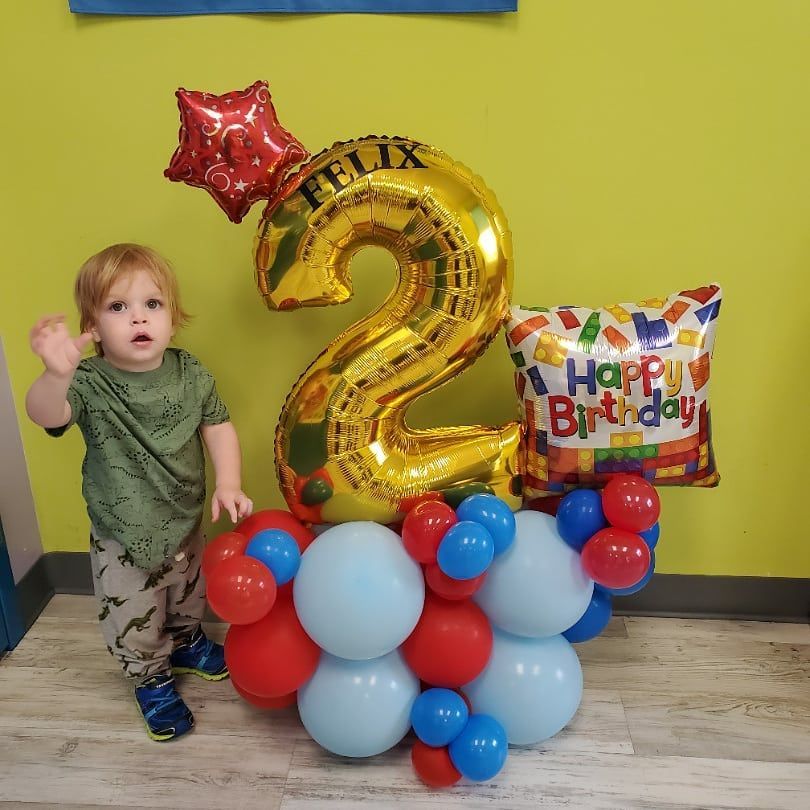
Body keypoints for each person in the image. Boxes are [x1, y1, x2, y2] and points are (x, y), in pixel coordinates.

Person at [25, 243, 254, 741]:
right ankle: (150, 679)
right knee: (134, 609)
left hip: (184, 517)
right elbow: (46, 414)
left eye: (153, 303)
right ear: (92, 326)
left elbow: (217, 425)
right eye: (117, 307)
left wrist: (229, 482)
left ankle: (187, 642)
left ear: (172, 314)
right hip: (122, 532)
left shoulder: (190, 372)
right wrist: (55, 375)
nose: (138, 318)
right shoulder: (88, 381)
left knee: (188, 591)